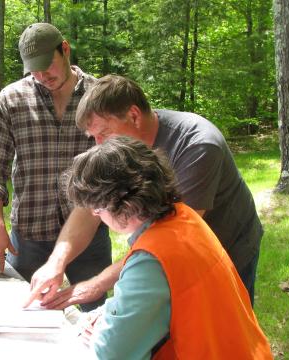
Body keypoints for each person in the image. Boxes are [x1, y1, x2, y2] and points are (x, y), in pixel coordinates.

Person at [26, 74, 263, 308]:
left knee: (221, 324)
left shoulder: (198, 145)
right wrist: (56, 263)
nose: (99, 145)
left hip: (227, 245)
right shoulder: (123, 143)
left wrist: (98, 284)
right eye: (94, 137)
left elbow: (172, 236)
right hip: (172, 246)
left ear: (134, 116)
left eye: (104, 134)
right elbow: (90, 205)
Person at [67, 136, 273, 359]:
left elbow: (112, 353)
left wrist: (98, 333)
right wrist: (106, 313)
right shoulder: (183, 216)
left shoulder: (151, 260)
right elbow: (147, 302)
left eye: (96, 208)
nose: (95, 215)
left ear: (121, 203)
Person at [0, 23, 111, 311]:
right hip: (30, 234)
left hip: (89, 234)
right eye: (33, 70)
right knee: (21, 315)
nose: (42, 76)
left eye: (47, 66)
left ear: (65, 49)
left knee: (95, 316)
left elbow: (112, 165)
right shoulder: (11, 98)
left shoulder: (99, 95)